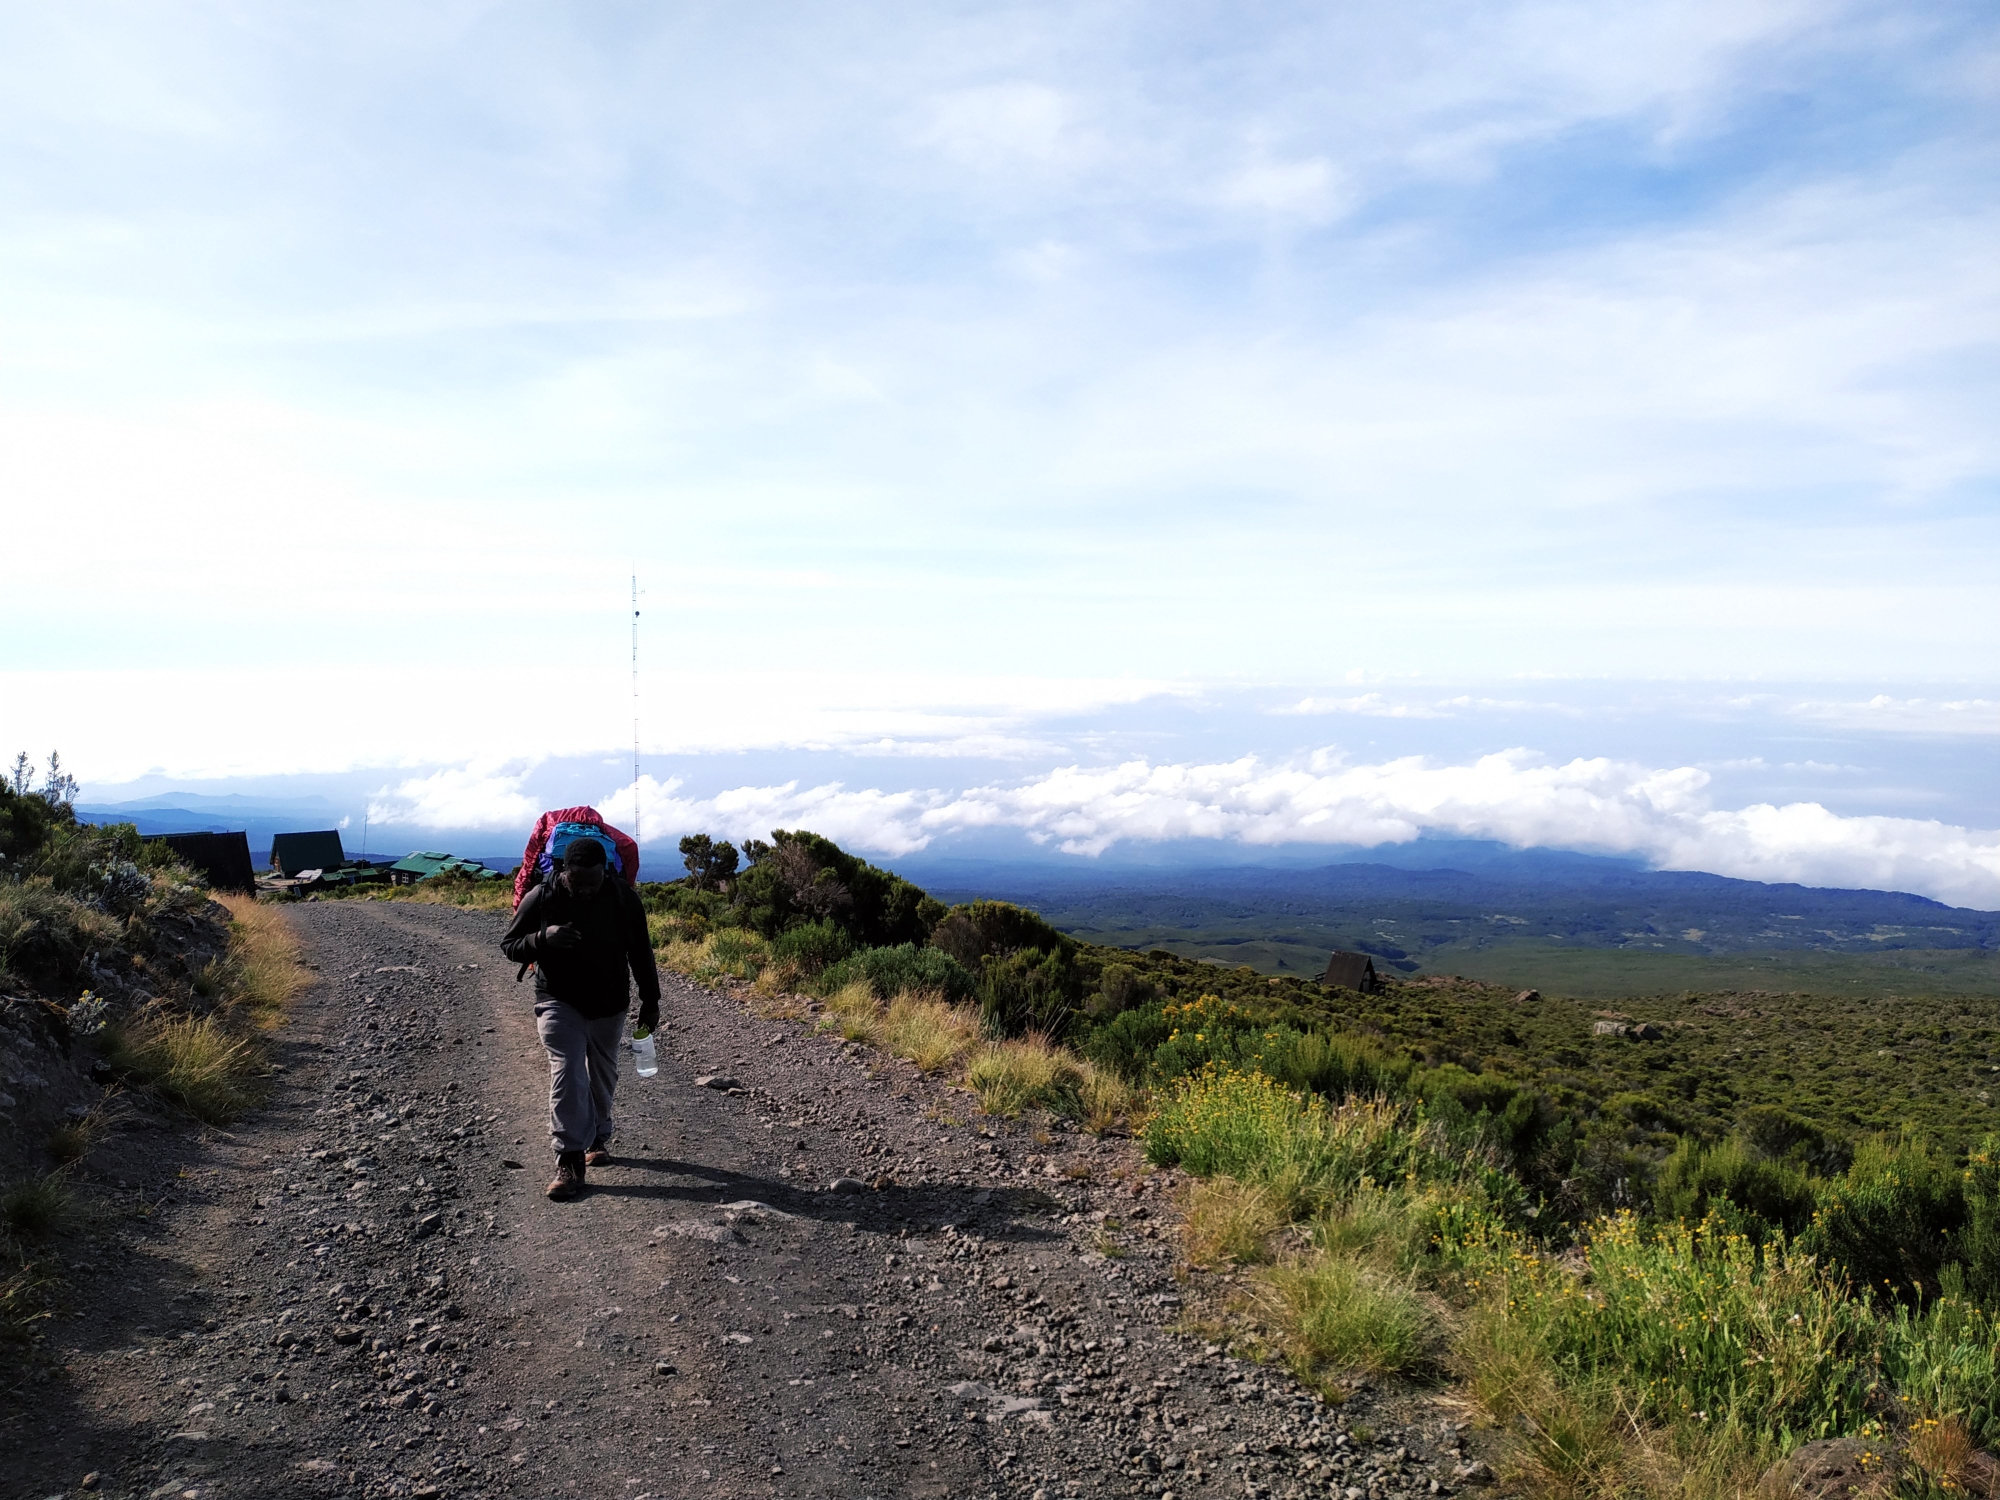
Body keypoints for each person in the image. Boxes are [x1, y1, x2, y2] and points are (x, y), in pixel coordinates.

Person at [500, 836, 661, 1201]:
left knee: (603, 1074)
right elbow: (510, 945)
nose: (587, 889)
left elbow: (640, 952)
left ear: (606, 871)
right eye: (578, 882)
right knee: (568, 1069)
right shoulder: (543, 897)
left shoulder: (623, 899)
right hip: (558, 999)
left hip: (609, 1002)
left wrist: (650, 1001)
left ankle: (598, 1136)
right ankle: (570, 1159)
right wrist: (543, 938)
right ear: (563, 872)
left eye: (594, 881)